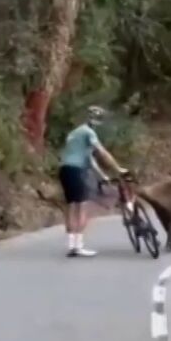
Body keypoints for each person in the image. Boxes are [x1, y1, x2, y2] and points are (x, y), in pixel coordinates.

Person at [57, 105, 126, 257]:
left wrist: (103, 176)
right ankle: (78, 246)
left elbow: (89, 159)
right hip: (77, 170)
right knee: (82, 207)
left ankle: (71, 245)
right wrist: (117, 169)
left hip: (64, 169)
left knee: (70, 206)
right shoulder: (89, 133)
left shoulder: (75, 133)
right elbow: (102, 152)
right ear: (97, 120)